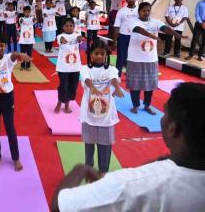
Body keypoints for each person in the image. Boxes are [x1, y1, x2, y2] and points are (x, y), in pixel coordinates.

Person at [52, 82, 205, 212]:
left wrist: (81, 169)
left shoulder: (128, 185)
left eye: (164, 114)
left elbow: (59, 205)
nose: (162, 118)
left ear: (173, 129)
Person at [0, 32, 30, 171]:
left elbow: (13, 56)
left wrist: (19, 55)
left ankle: (16, 158)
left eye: (1, 45)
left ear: (6, 46)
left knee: (10, 128)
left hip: (7, 97)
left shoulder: (8, 58)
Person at [127, 2, 186, 115]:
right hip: (135, 58)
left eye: (148, 10)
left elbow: (165, 28)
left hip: (151, 59)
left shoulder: (155, 22)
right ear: (139, 11)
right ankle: (135, 105)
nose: (146, 12)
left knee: (150, 84)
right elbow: (138, 29)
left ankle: (147, 105)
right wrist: (150, 35)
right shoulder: (133, 21)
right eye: (144, 10)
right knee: (135, 84)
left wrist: (177, 35)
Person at [80, 40, 123, 174]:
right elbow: (86, 79)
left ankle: (103, 170)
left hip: (107, 115)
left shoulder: (112, 69)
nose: (99, 56)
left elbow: (114, 79)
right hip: (89, 114)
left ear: (107, 55)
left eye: (102, 54)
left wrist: (117, 88)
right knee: (89, 143)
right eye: (96, 53)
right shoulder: (85, 68)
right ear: (91, 55)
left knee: (105, 145)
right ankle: (89, 166)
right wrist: (92, 87)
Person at [55, 18, 83, 114]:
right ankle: (59, 101)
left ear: (74, 27)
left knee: (73, 87)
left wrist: (79, 38)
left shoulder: (77, 35)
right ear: (63, 27)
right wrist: (63, 40)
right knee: (63, 86)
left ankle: (67, 104)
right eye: (66, 26)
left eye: (71, 26)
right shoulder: (60, 36)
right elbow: (60, 40)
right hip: (63, 67)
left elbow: (80, 39)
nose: (69, 27)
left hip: (75, 67)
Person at [112, 0, 138, 76]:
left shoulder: (139, 11)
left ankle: (131, 74)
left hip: (135, 37)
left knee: (133, 57)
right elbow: (116, 26)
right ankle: (117, 75)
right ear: (126, 0)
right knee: (121, 57)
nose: (131, 0)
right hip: (123, 36)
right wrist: (114, 41)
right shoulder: (121, 11)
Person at [18, 6, 35, 70]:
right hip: (22, 40)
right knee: (22, 53)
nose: (27, 13)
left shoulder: (32, 18)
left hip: (30, 40)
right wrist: (22, 21)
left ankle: (28, 66)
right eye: (26, 12)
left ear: (30, 12)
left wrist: (34, 18)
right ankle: (22, 66)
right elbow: (20, 22)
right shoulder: (21, 18)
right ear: (23, 12)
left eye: (28, 12)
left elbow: (35, 20)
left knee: (29, 54)